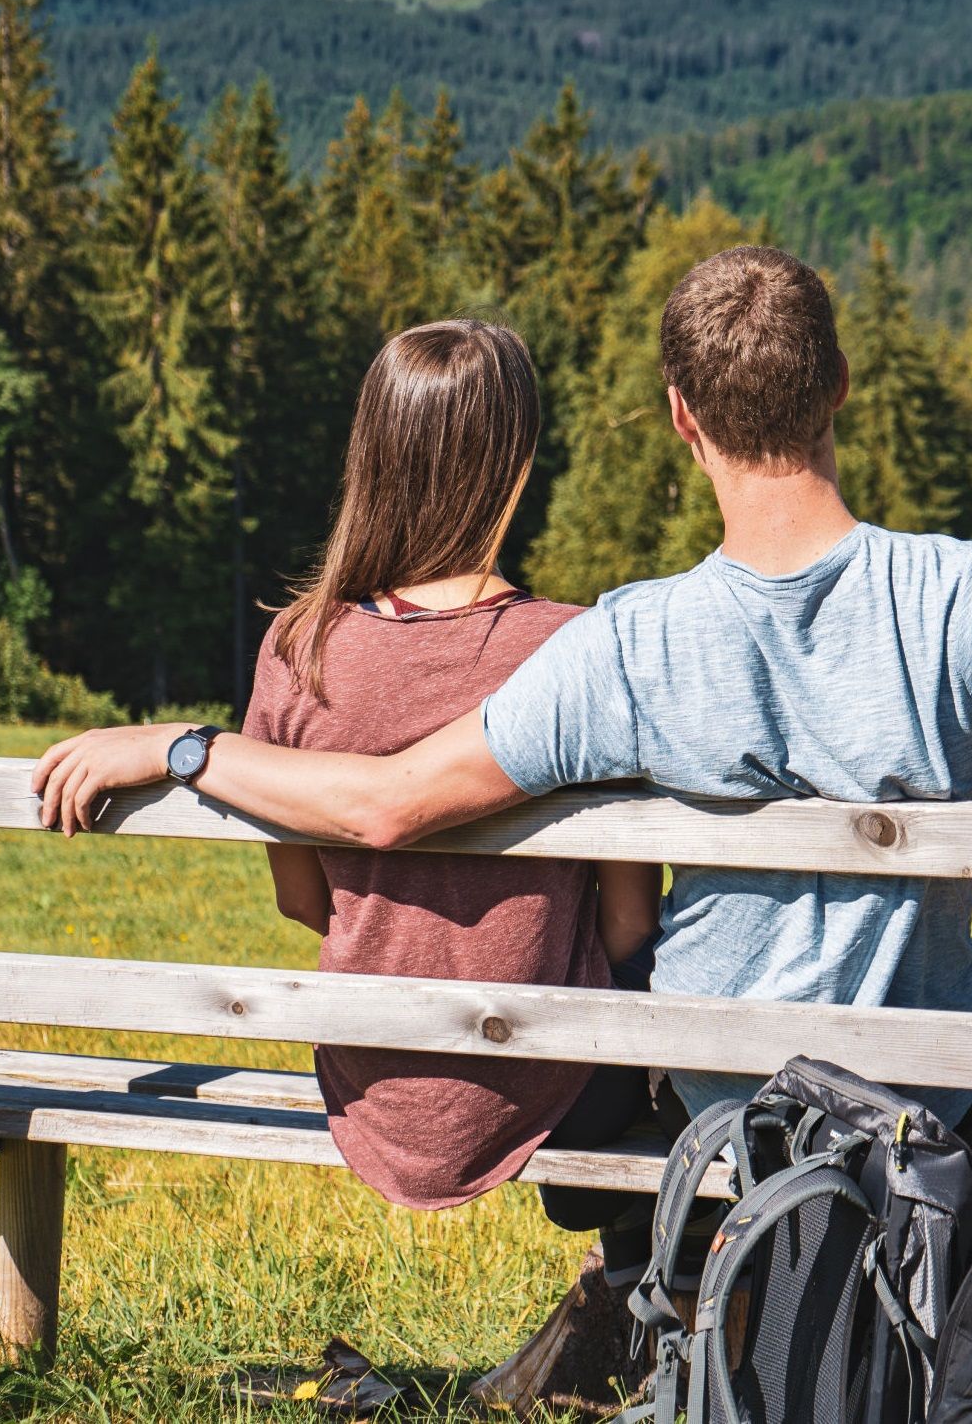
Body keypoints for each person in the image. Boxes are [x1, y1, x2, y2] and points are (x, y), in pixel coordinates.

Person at [34, 247, 972, 1391]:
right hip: (921, 1087)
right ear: (839, 384)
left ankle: (674, 1305)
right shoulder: (960, 587)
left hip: (720, 1097)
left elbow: (383, 807)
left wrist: (184, 748)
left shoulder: (626, 643)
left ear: (681, 417)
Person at [203, 318, 664, 1407]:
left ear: (372, 451)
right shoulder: (577, 646)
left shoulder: (296, 647)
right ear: (514, 460)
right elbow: (626, 930)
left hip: (366, 1073)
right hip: (556, 1087)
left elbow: (299, 898)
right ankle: (637, 1305)